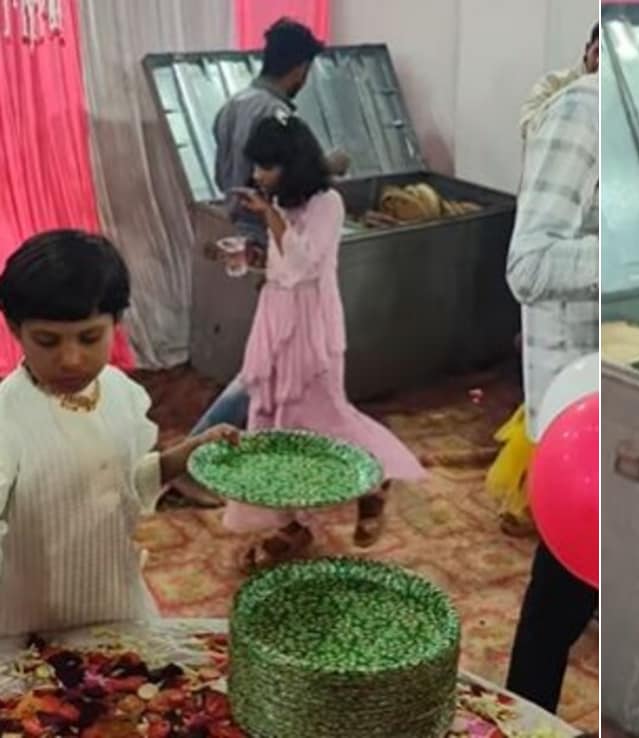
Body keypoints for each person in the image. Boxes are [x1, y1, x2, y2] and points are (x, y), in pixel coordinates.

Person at [0, 230, 239, 636]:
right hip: (35, 617)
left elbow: (121, 478)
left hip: (115, 595)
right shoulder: (8, 419)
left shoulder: (120, 393)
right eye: (48, 341)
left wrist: (183, 456)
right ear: (15, 329)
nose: (71, 359)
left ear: (117, 323)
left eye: (89, 338)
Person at [220, 114, 427, 573]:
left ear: (291, 163)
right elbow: (281, 265)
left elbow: (303, 266)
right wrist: (252, 253)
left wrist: (268, 216)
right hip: (275, 315)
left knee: (324, 416)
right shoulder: (281, 202)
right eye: (256, 166)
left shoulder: (327, 203)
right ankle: (291, 522)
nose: (257, 175)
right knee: (269, 420)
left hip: (311, 323)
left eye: (266, 166)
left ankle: (375, 478)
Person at [191, 17, 349, 441]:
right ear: (300, 69)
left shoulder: (232, 104)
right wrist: (329, 165)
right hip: (266, 232)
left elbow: (227, 171)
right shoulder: (275, 115)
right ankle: (199, 449)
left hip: (243, 220)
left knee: (264, 373)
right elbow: (292, 172)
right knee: (264, 373)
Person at [502, 72, 599, 713]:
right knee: (559, 600)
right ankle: (523, 719)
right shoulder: (585, 110)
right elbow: (529, 264)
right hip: (585, 413)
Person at [489, 21, 600, 538]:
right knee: (569, 538)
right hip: (575, 380)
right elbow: (529, 265)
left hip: (616, 384)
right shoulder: (577, 105)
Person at [518, 23, 599, 142]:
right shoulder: (553, 83)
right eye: (598, 51)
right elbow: (528, 125)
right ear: (587, 49)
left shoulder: (614, 96)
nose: (599, 61)